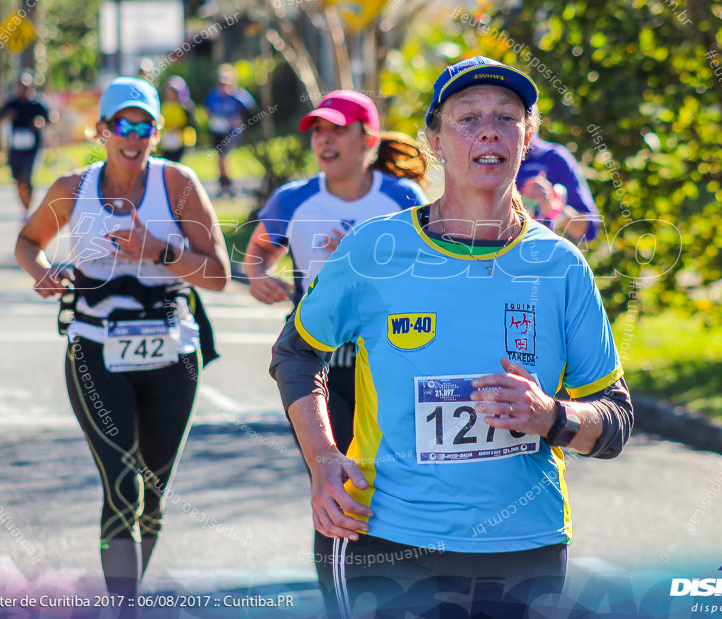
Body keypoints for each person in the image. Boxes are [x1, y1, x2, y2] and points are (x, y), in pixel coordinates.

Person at [270, 56, 633, 618]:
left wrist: (552, 417)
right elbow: (296, 352)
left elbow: (615, 417)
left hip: (525, 549)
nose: (489, 129)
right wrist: (322, 459)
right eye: (467, 118)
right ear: (435, 141)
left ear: (526, 138)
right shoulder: (375, 251)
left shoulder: (560, 266)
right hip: (388, 539)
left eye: (507, 117)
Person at [14, 76, 230, 610]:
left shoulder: (177, 184)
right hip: (94, 349)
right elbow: (27, 241)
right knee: (121, 485)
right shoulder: (72, 188)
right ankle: (125, 606)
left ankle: (129, 589)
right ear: (102, 130)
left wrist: (157, 251)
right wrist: (40, 272)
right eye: (121, 126)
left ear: (156, 133)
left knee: (152, 491)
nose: (132, 137)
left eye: (144, 126)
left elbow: (220, 275)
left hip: (172, 351)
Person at [243, 90, 427, 617]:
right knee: (336, 485)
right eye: (317, 129)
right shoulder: (294, 200)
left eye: (337, 129)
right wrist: (260, 277)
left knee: (393, 482)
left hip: (390, 363)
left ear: (367, 139)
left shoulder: (404, 197)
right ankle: (341, 601)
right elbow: (259, 251)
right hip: (318, 368)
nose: (323, 138)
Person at [515, 106, 599, 243]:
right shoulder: (479, 157)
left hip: (536, 257)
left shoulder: (553, 158)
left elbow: (587, 230)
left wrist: (554, 207)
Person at [0, 72, 52, 218]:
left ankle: (28, 208)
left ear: (32, 87)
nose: (24, 90)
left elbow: (51, 119)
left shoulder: (37, 104)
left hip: (32, 147)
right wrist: (7, 117)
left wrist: (40, 122)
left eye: (27, 87)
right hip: (15, 147)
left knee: (26, 177)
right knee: (17, 179)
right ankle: (25, 207)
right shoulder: (12, 103)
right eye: (21, 87)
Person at [205, 63, 256, 196]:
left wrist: (239, 119)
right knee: (220, 159)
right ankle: (225, 185)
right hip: (217, 131)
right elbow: (208, 110)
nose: (223, 86)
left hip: (231, 132)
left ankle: (229, 185)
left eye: (226, 82)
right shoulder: (213, 96)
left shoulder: (238, 95)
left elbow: (251, 108)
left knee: (224, 158)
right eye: (221, 83)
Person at [158, 76, 197, 163]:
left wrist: (178, 128)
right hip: (167, 141)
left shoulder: (185, 107)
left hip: (180, 141)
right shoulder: (165, 106)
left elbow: (190, 124)